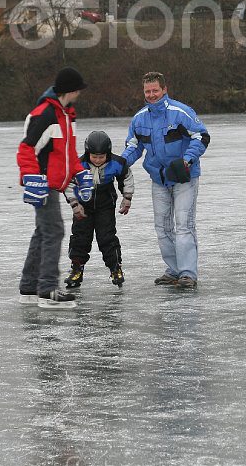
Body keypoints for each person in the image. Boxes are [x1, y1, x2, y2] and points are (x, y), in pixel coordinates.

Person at [122, 71, 210, 290]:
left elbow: (201, 136)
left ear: (164, 90)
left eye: (155, 90)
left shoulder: (180, 112)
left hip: (184, 177)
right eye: (147, 91)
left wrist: (187, 160)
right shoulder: (139, 118)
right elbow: (133, 147)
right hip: (158, 179)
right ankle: (174, 270)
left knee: (184, 225)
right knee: (162, 228)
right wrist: (119, 164)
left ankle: (188, 273)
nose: (151, 95)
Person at [17, 66, 87, 309]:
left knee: (43, 232)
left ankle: (29, 286)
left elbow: (67, 154)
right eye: (78, 90)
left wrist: (81, 173)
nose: (79, 94)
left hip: (55, 182)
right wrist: (31, 179)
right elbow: (27, 149)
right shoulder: (46, 114)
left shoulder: (68, 115)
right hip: (43, 183)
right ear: (71, 90)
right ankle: (47, 289)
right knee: (54, 231)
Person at [64, 131, 134, 289]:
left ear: (108, 153)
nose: (97, 160)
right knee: (80, 238)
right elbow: (68, 183)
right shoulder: (78, 164)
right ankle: (77, 269)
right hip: (83, 205)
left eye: (101, 157)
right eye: (94, 156)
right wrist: (75, 204)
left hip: (105, 205)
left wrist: (127, 197)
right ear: (87, 152)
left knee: (107, 237)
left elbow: (126, 177)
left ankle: (115, 268)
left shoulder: (117, 163)